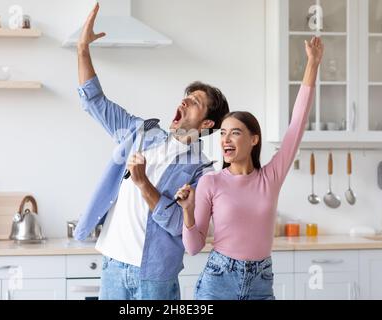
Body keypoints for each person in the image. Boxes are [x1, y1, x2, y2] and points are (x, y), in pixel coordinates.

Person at [73, 3, 230, 300]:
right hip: (113, 266)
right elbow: (94, 101)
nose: (184, 103)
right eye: (185, 98)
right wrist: (83, 48)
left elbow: (179, 227)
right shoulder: (140, 132)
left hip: (154, 276)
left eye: (194, 102)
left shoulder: (202, 171)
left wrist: (142, 182)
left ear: (207, 123)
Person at [175, 37, 324, 300]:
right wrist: (187, 211)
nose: (226, 140)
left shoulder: (271, 177)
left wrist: (312, 64)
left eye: (235, 133)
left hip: (261, 283)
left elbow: (297, 124)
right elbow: (193, 247)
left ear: (253, 139)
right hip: (218, 281)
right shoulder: (211, 182)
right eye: (222, 133)